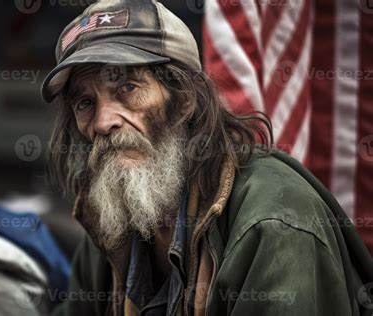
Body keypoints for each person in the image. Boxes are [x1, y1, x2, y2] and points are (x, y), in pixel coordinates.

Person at [41, 0, 373, 315]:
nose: (103, 122)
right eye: (85, 103)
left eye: (127, 88)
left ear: (184, 99)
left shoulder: (275, 225)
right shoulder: (112, 217)